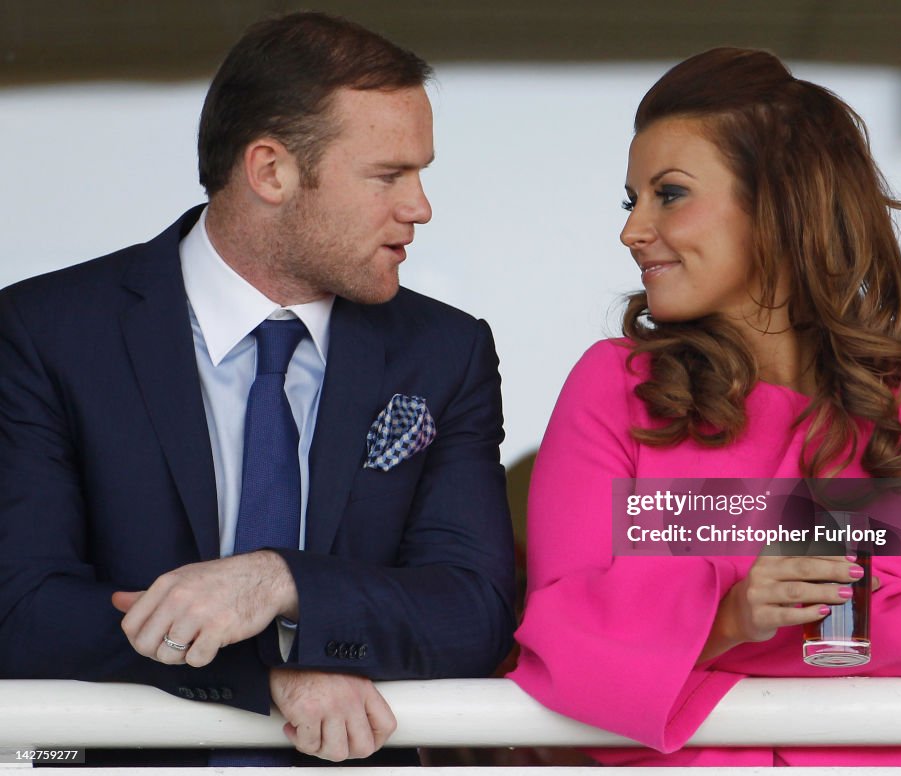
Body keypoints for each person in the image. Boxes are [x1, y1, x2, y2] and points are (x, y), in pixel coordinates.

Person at [0, 12, 515, 766]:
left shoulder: (446, 351)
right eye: (388, 175)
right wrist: (270, 672)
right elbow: (22, 608)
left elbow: (473, 613)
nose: (419, 207)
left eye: (421, 172)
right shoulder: (45, 331)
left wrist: (278, 583)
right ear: (270, 171)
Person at [507, 47, 901, 767]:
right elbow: (562, 634)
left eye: (670, 193)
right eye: (633, 201)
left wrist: (684, 638)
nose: (633, 231)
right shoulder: (612, 387)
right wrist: (729, 617)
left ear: (779, 203)